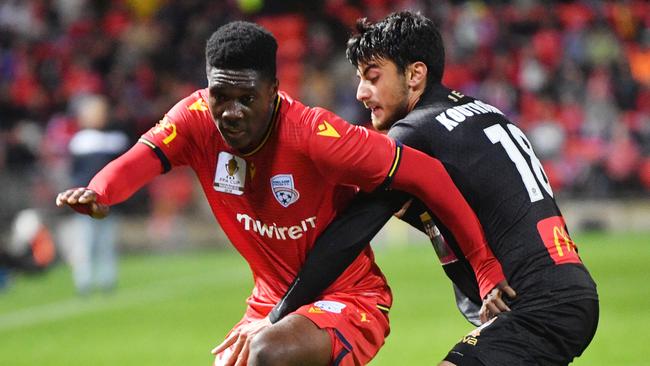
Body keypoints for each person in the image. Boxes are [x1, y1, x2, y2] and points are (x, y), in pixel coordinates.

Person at [55, 21, 507, 366]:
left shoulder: (314, 135)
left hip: (350, 298)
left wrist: (485, 268)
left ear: (273, 91)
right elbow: (139, 159)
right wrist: (99, 193)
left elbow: (427, 173)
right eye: (219, 96)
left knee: (267, 354)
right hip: (271, 301)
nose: (230, 112)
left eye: (245, 98)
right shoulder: (193, 118)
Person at [266, 11, 599, 366]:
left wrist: (277, 316)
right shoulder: (484, 112)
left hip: (535, 301)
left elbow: (352, 230)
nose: (362, 92)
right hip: (565, 288)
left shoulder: (414, 133)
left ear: (414, 74)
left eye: (373, 77)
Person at [66, 94, 128, 294]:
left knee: (106, 243)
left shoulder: (115, 140)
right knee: (85, 243)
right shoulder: (80, 141)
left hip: (108, 203)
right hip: (85, 202)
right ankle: (83, 281)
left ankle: (107, 280)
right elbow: (75, 174)